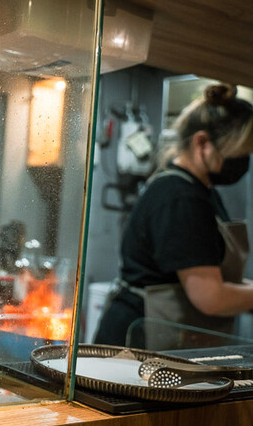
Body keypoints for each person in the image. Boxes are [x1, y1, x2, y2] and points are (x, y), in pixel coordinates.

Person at [94, 84, 253, 350]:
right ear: (202, 143)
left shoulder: (197, 190)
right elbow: (210, 297)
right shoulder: (181, 198)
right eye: (238, 153)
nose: (244, 161)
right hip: (139, 342)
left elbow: (211, 272)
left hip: (160, 333)